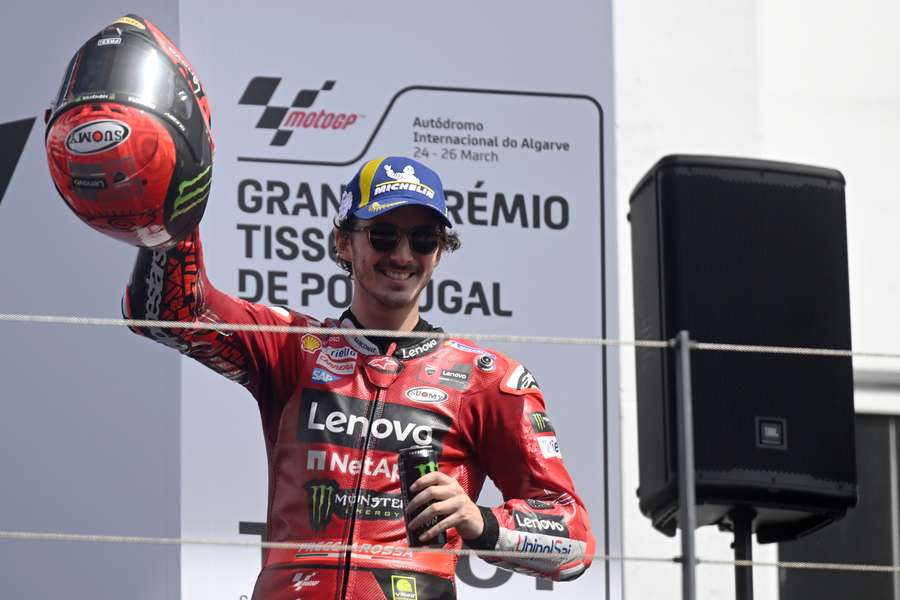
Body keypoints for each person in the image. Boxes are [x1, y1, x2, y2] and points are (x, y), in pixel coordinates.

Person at [124, 156, 595, 599]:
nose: (403, 255)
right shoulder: (291, 346)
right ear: (344, 243)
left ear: (441, 252)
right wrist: (177, 176)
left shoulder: (486, 379)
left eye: (424, 239)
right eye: (384, 236)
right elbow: (168, 311)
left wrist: (482, 522)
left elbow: (574, 538)